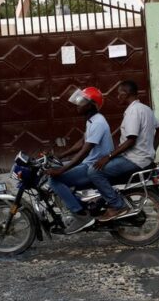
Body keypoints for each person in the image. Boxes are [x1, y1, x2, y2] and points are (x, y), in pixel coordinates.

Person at [89, 80, 159, 222]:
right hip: (142, 158)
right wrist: (152, 150)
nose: (118, 97)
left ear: (126, 93)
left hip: (134, 159)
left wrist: (108, 156)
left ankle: (117, 206)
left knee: (94, 172)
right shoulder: (145, 108)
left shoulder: (133, 112)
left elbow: (131, 140)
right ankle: (104, 200)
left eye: (119, 93)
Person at [46, 86, 113, 233]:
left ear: (92, 105)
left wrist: (61, 170)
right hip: (88, 163)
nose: (78, 104)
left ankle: (81, 214)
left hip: (93, 167)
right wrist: (60, 157)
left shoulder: (98, 123)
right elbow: (82, 143)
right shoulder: (91, 121)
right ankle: (79, 205)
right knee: (58, 170)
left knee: (54, 180)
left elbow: (84, 151)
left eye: (82, 101)